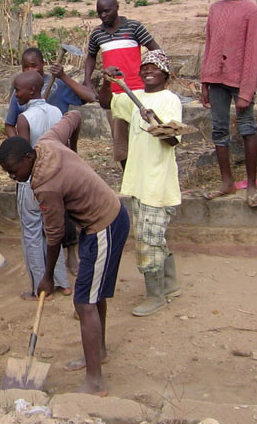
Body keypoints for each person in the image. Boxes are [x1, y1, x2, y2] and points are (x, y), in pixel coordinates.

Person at [0, 111, 130, 397]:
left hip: (104, 225)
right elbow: (75, 116)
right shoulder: (48, 141)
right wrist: (74, 150)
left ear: (28, 158)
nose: (13, 177)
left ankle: (95, 383)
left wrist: (47, 277)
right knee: (93, 295)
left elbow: (54, 235)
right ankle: (98, 352)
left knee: (84, 302)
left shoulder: (44, 185)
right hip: (102, 222)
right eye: (7, 173)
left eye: (14, 171)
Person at [99, 50, 182, 317]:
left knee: (148, 241)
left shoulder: (170, 100)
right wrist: (106, 82)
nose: (148, 71)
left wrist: (155, 122)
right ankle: (170, 284)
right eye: (144, 67)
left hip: (157, 184)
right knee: (152, 236)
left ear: (165, 74)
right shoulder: (134, 98)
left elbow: (173, 140)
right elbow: (106, 102)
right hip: (138, 181)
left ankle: (155, 295)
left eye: (154, 67)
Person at [4, 47, 94, 274]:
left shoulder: (58, 88)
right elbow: (10, 124)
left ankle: (66, 257)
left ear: (43, 65)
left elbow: (89, 98)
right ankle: (54, 272)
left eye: (34, 65)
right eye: (25, 66)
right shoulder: (20, 93)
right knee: (42, 218)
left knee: (60, 214)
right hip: (30, 165)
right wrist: (16, 151)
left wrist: (63, 76)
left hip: (56, 163)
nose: (30, 70)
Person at [200, 0, 257, 208]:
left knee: (247, 128)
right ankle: (227, 182)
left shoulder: (251, 11)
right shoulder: (215, 9)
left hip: (239, 81)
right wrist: (205, 81)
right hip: (216, 79)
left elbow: (254, 53)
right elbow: (210, 45)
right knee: (219, 129)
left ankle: (251, 185)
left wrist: (246, 91)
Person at [10, 71, 72, 299]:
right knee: (52, 232)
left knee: (32, 234)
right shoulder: (56, 112)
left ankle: (39, 287)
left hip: (32, 183)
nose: (15, 94)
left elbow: (25, 156)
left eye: (18, 90)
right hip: (55, 180)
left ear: (32, 91)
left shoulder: (24, 118)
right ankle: (62, 282)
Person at [83, 0, 161, 168]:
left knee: (142, 135)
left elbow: (156, 50)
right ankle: (128, 175)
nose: (103, 15)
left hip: (138, 91)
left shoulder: (134, 27)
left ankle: (145, 172)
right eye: (99, 12)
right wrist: (87, 80)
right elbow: (91, 56)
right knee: (120, 142)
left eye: (107, 11)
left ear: (117, 7)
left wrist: (152, 76)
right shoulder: (97, 34)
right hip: (114, 95)